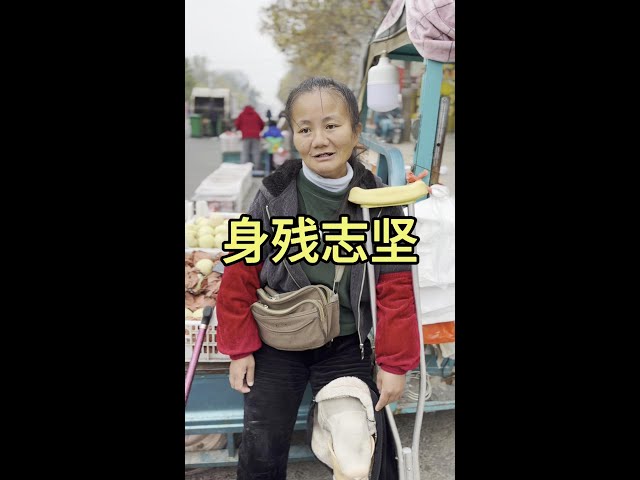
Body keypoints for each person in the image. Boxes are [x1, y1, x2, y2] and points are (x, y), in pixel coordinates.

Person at [217, 77, 420, 479]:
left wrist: (396, 363)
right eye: (305, 129)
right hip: (277, 341)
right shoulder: (271, 195)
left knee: (367, 453)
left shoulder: (381, 201)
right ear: (293, 135)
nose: (319, 140)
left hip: (346, 343)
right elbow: (238, 273)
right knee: (261, 447)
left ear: (356, 131)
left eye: (332, 125)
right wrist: (239, 347)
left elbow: (395, 288)